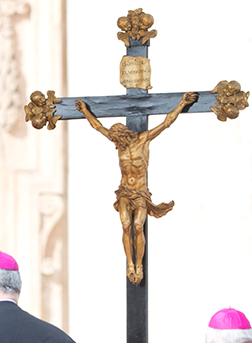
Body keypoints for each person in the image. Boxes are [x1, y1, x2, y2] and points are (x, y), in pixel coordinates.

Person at [74, 92, 197, 284]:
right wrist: (84, 111)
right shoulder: (120, 144)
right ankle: (129, 264)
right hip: (124, 192)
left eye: (117, 139)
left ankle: (139, 264)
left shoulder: (143, 140)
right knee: (125, 225)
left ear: (124, 135)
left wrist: (182, 103)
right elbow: (98, 127)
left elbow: (166, 123)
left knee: (138, 226)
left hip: (140, 192)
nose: (116, 144)